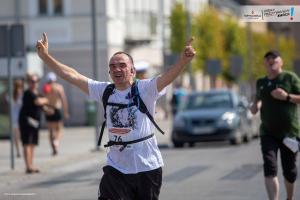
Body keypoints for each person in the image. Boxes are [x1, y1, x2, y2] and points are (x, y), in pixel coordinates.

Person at [36, 32, 195, 200]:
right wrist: (45, 57)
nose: (116, 69)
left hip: (147, 166)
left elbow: (167, 77)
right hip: (116, 168)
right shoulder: (105, 91)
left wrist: (183, 61)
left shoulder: (145, 89)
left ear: (132, 70)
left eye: (122, 65)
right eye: (112, 66)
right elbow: (72, 75)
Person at [250, 50, 300, 200]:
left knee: (289, 171)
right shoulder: (261, 82)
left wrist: (287, 97)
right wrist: (255, 106)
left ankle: (289, 198)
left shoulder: (290, 78)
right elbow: (257, 99)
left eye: (274, 58)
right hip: (268, 132)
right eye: (267, 59)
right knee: (270, 167)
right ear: (265, 63)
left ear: (281, 62)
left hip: (289, 133)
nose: (271, 60)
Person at [18, 74, 50, 174]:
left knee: (32, 144)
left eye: (36, 81)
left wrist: (47, 109)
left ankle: (31, 164)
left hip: (35, 122)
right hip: (26, 121)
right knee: (27, 143)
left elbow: (42, 105)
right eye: (32, 81)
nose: (34, 83)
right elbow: (38, 102)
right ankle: (28, 166)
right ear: (29, 82)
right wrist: (45, 100)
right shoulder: (28, 93)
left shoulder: (37, 93)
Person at [43, 72, 69, 156]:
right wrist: (66, 111)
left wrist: (45, 109)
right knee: (59, 128)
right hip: (56, 109)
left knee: (50, 130)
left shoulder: (46, 88)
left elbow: (43, 100)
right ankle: (56, 141)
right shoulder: (58, 87)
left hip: (48, 109)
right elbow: (63, 100)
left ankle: (54, 148)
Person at [12, 79, 24, 158]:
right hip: (20, 116)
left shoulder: (12, 94)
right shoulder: (21, 94)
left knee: (16, 136)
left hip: (15, 116)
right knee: (21, 135)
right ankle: (21, 151)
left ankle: (18, 151)